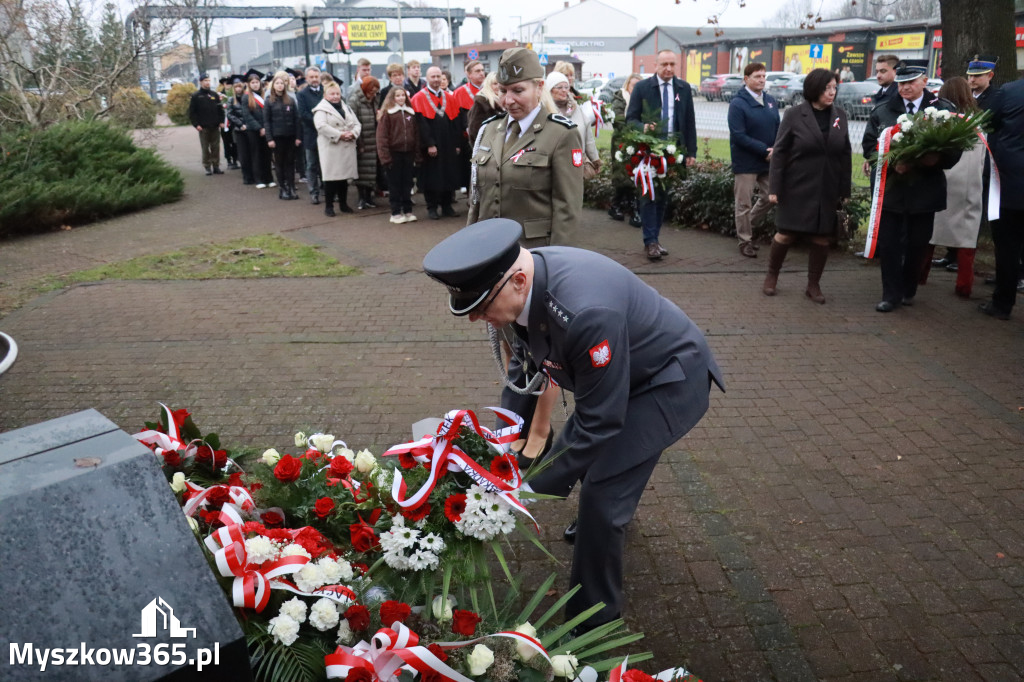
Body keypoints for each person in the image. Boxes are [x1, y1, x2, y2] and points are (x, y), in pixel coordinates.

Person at [421, 218, 724, 634]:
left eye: (482, 306)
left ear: (518, 281)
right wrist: (499, 446)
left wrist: (530, 487)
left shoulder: (584, 311)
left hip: (666, 381)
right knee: (602, 475)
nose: (478, 319)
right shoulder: (525, 286)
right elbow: (525, 368)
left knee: (602, 491)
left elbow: (599, 419)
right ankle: (602, 530)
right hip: (625, 374)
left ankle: (591, 618)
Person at [862, 60, 961, 313]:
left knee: (918, 243)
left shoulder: (942, 109)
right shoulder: (884, 110)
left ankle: (909, 288)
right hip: (892, 190)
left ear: (924, 82)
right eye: (901, 83)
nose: (904, 88)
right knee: (890, 243)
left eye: (910, 82)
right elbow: (869, 145)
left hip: (925, 190)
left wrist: (936, 159)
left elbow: (956, 147)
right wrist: (893, 162)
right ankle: (890, 294)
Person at [467, 47, 583, 245]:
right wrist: (468, 242)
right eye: (503, 91)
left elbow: (567, 209)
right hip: (488, 249)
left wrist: (556, 261)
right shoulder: (489, 130)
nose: (508, 100)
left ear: (539, 87)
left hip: (533, 253)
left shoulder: (561, 134)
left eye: (518, 91)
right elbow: (476, 199)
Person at [765, 68, 851, 303]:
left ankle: (813, 285)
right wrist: (774, 188)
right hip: (796, 186)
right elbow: (780, 152)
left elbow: (845, 154)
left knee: (822, 238)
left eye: (834, 87)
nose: (832, 92)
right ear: (814, 89)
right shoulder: (794, 114)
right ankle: (772, 275)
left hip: (826, 188)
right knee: (785, 234)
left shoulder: (840, 116)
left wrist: (844, 190)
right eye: (827, 88)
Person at [626, 49, 698, 260]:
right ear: (655, 65)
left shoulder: (683, 89)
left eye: (672, 64)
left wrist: (691, 151)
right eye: (664, 64)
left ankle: (654, 239)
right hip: (648, 152)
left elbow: (689, 122)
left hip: (673, 153)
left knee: (663, 198)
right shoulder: (642, 88)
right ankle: (651, 242)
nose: (668, 68)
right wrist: (644, 127)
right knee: (649, 196)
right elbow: (630, 120)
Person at [921, 78, 985, 298]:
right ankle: (964, 284)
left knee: (929, 234)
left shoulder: (939, 120)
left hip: (942, 182)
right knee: (966, 238)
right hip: (969, 187)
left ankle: (920, 275)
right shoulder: (977, 124)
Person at [978, 74, 1024, 320]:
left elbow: (986, 121)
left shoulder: (1009, 91)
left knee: (1007, 247)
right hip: (1011, 182)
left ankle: (1002, 304)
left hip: (1009, 185)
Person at [728, 61, 780, 258]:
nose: (761, 80)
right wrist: (763, 149)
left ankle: (745, 226)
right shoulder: (737, 104)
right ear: (746, 79)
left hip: (768, 160)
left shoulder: (771, 101)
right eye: (757, 76)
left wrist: (776, 148)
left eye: (763, 76)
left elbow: (778, 127)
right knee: (743, 203)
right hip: (746, 161)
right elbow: (738, 135)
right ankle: (745, 240)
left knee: (769, 197)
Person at [411, 66, 463, 220]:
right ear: (427, 78)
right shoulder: (419, 98)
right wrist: (429, 144)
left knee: (449, 175)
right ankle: (432, 207)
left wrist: (457, 143)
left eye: (438, 76)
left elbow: (456, 122)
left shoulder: (450, 97)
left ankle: (447, 206)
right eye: (433, 76)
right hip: (431, 146)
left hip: (448, 144)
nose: (436, 79)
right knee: (431, 177)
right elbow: (420, 125)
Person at [312, 81, 360, 217]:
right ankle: (329, 206)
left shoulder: (346, 107)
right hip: (331, 148)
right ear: (325, 95)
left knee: (344, 179)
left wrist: (353, 133)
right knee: (331, 179)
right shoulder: (321, 109)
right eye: (332, 94)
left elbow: (357, 123)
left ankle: (343, 204)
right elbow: (321, 126)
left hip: (346, 146)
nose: (335, 96)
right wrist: (340, 135)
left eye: (337, 93)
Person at [376, 87, 421, 224]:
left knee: (407, 183)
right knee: (394, 184)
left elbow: (416, 135)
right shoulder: (388, 114)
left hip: (408, 153)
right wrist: (385, 157)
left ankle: (407, 210)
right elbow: (382, 137)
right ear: (392, 98)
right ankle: (395, 212)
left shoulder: (410, 114)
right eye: (398, 96)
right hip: (393, 154)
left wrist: (417, 155)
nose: (401, 98)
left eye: (403, 95)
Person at [545, 71, 600, 180]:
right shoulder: (545, 110)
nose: (564, 90)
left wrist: (595, 160)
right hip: (553, 167)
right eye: (559, 87)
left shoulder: (576, 108)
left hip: (577, 165)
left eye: (566, 87)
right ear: (550, 89)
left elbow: (588, 137)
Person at [608, 73, 642, 225]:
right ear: (628, 85)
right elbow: (618, 120)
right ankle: (617, 206)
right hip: (621, 142)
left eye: (638, 86)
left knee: (634, 176)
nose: (635, 88)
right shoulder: (620, 98)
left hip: (638, 142)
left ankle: (631, 209)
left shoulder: (642, 99)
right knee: (622, 176)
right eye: (633, 85)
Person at [264, 70, 302, 200]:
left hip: (290, 136)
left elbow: (297, 119)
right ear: (273, 85)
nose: (280, 85)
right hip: (277, 137)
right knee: (279, 164)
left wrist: (298, 137)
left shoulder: (290, 100)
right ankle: (283, 188)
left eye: (282, 83)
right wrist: (269, 138)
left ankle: (291, 187)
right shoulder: (269, 101)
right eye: (277, 83)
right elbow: (267, 121)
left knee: (290, 163)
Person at [347, 77, 380, 210]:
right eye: (371, 91)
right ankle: (362, 197)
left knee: (372, 169)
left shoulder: (376, 100)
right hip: (362, 139)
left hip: (374, 139)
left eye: (375, 92)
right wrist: (359, 142)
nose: (373, 94)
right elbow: (352, 121)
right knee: (362, 170)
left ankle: (369, 197)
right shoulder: (355, 100)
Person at [240, 69, 275, 189]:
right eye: (253, 82)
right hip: (253, 130)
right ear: (249, 84)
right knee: (256, 154)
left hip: (266, 129)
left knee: (267, 155)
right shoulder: (246, 97)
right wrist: (259, 128)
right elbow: (247, 115)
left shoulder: (265, 95)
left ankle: (269, 178)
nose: (255, 84)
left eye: (257, 82)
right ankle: (259, 179)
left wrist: (266, 127)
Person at [296, 66, 325, 204]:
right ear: (307, 78)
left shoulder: (326, 91)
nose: (314, 79)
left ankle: (327, 190)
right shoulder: (302, 94)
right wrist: (319, 123)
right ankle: (314, 192)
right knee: (312, 165)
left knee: (326, 165)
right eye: (311, 77)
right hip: (311, 134)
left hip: (327, 135)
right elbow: (303, 114)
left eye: (316, 76)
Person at [187, 73, 224, 176]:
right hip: (203, 127)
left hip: (215, 126)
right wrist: (196, 124)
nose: (207, 82)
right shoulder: (196, 96)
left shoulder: (214, 95)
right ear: (200, 82)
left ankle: (216, 165)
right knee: (205, 148)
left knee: (215, 147)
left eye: (208, 80)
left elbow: (220, 109)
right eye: (205, 81)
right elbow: (192, 112)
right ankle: (207, 167)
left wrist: (221, 121)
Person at [225, 74, 254, 185]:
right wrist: (240, 124)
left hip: (250, 128)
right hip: (239, 130)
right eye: (236, 87)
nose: (238, 88)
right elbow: (230, 114)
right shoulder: (231, 100)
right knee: (243, 155)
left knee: (252, 153)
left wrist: (248, 124)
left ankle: (254, 175)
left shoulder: (248, 97)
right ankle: (246, 177)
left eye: (239, 86)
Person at [466, 71, 504, 143]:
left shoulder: (505, 100)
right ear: (488, 85)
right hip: (488, 146)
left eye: (500, 83)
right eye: (495, 84)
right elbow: (474, 130)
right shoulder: (482, 103)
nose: (498, 86)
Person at [217, 77, 239, 170]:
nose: (228, 85)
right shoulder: (219, 96)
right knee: (226, 142)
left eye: (230, 83)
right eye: (226, 83)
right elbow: (217, 110)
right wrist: (220, 122)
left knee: (235, 142)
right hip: (224, 124)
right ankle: (228, 160)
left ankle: (235, 160)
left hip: (234, 122)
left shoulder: (235, 95)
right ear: (223, 84)